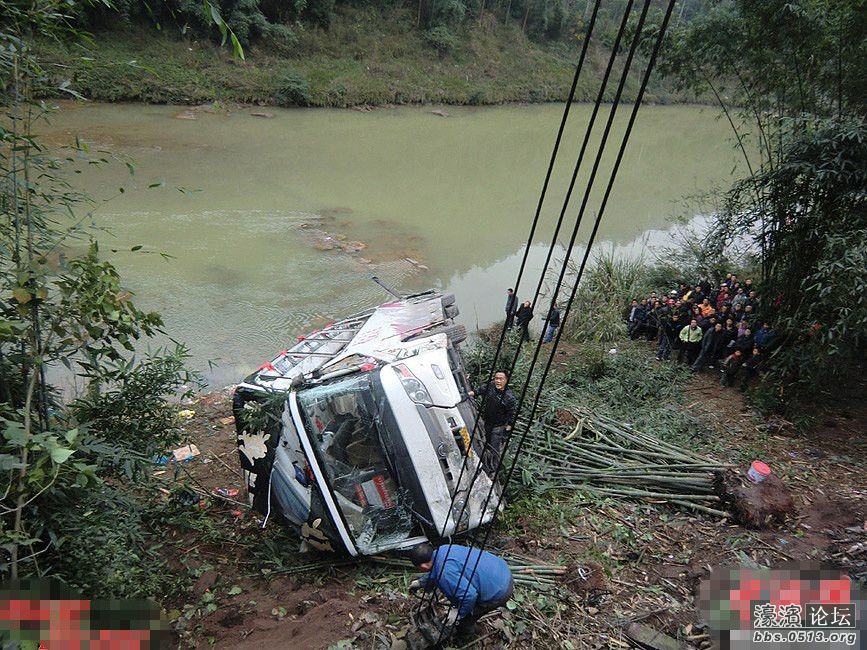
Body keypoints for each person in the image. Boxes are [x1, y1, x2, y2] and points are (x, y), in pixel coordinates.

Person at [408, 543, 514, 641]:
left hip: (499, 591)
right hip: (501, 571)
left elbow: (469, 596)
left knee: (464, 621)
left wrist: (459, 613)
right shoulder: (443, 550)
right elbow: (438, 569)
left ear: (423, 566)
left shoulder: (444, 573)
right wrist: (420, 582)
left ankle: (466, 638)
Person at [469, 370, 517, 474]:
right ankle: (485, 463)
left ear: (506, 380)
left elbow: (512, 415)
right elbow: (479, 390)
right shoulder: (491, 386)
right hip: (487, 423)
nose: (498, 381)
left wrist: (507, 431)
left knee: (494, 449)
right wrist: (468, 394)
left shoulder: (509, 398)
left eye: (501, 379)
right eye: (496, 378)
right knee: (485, 444)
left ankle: (493, 470)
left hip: (498, 427)